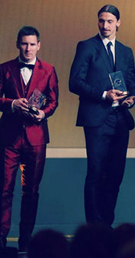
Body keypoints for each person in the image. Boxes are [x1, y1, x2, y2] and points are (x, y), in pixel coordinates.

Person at [69, 4, 135, 226]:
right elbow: (75, 82)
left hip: (120, 119)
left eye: (109, 21)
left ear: (118, 22)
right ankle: (94, 228)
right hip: (97, 119)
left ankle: (106, 225)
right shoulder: (87, 47)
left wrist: (130, 98)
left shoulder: (126, 52)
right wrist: (103, 94)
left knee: (115, 175)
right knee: (96, 173)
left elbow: (132, 85)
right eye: (101, 20)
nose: (105, 25)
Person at [0, 26, 59, 250]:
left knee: (31, 191)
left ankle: (26, 239)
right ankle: (1, 238)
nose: (28, 48)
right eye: (24, 43)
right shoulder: (4, 68)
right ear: (18, 44)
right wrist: (12, 104)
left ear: (39, 45)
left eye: (32, 44)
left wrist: (43, 113)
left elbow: (54, 101)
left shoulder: (49, 70)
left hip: (36, 138)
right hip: (8, 138)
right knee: (3, 190)